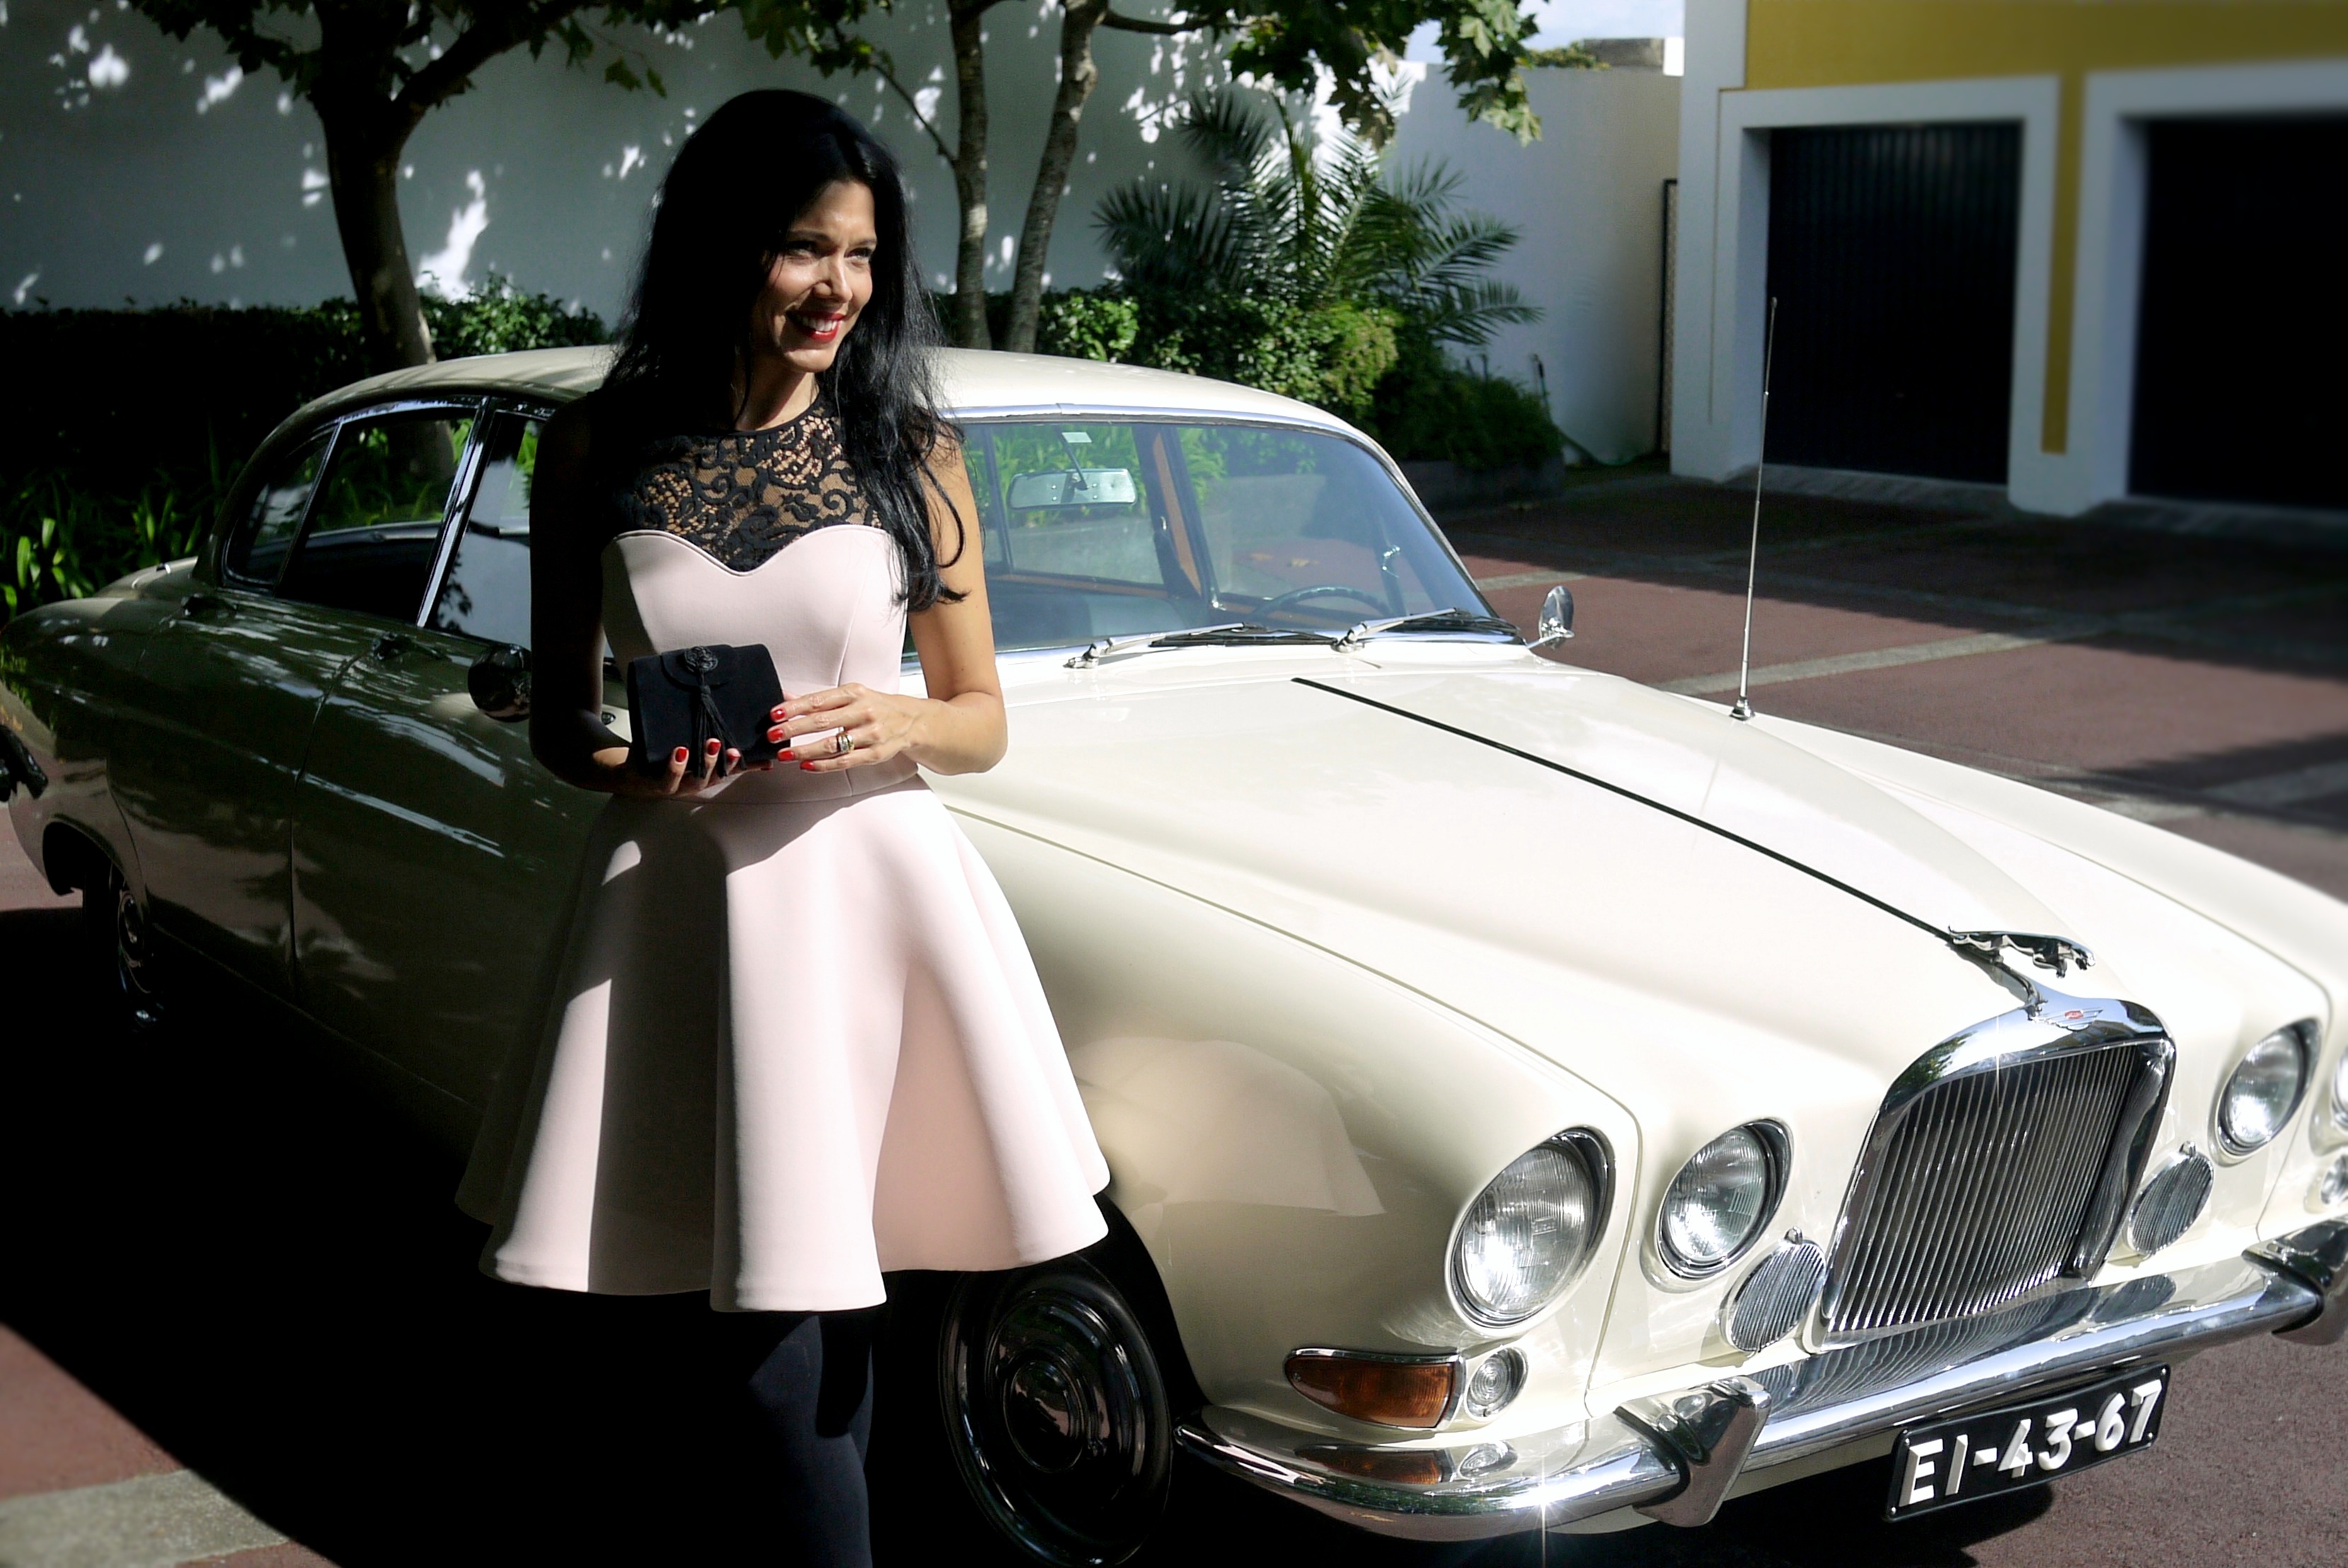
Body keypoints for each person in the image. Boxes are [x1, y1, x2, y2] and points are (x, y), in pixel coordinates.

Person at [456, 89, 1112, 1561]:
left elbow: (981, 716)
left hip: (866, 911)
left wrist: (897, 720)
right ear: (720, 248)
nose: (841, 288)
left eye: (863, 256)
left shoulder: (909, 449)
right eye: (807, 249)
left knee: (817, 1355)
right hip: (681, 912)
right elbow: (562, 720)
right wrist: (623, 764)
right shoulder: (593, 450)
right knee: (760, 1363)